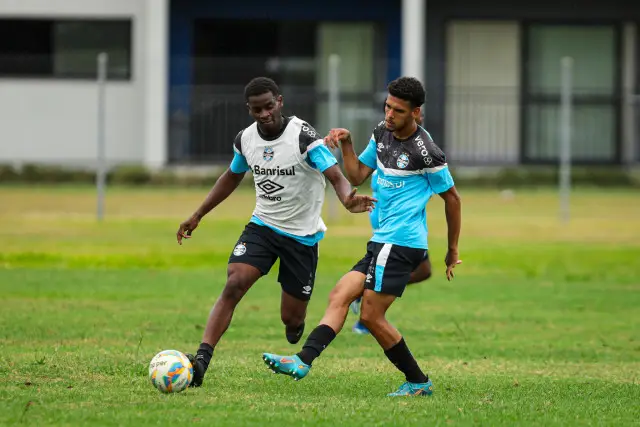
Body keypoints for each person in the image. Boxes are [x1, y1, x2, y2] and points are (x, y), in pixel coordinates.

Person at [262, 77, 462, 397]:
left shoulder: (427, 152)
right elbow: (357, 175)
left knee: (370, 315)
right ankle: (302, 360)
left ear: (416, 113)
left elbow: (452, 198)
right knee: (340, 294)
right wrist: (347, 142)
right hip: (382, 239)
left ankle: (418, 381)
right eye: (387, 106)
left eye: (398, 110)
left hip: (400, 241)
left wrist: (452, 250)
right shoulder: (382, 132)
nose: (390, 114)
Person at [176, 77, 376, 388]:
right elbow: (231, 176)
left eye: (269, 106)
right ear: (249, 109)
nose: (264, 113)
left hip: (302, 238)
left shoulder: (303, 137)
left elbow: (335, 175)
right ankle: (201, 361)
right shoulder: (245, 139)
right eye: (257, 109)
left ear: (279, 102)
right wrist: (197, 214)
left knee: (291, 320)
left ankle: (295, 328)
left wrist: (348, 200)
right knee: (234, 283)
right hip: (263, 227)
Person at [350, 111, 432, 335]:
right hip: (393, 218)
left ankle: (365, 296)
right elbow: (360, 174)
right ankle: (365, 308)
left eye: (421, 112)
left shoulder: (421, 140)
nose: (420, 116)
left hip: (407, 221)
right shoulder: (388, 139)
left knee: (424, 271)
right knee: (395, 272)